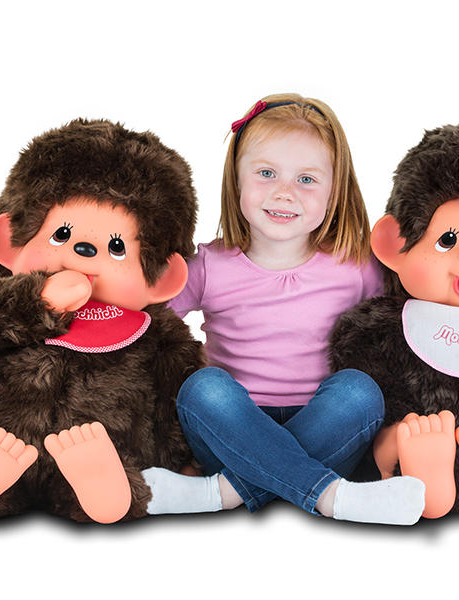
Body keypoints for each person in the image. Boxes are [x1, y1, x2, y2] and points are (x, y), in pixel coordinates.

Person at [141, 94, 424, 525]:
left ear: (334, 192)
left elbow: (397, 328)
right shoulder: (208, 265)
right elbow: (148, 326)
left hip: (326, 427)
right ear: (236, 179)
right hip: (232, 430)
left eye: (307, 179)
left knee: (359, 391)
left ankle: (223, 493)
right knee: (203, 387)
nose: (284, 192)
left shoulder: (355, 266)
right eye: (266, 173)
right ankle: (332, 497)